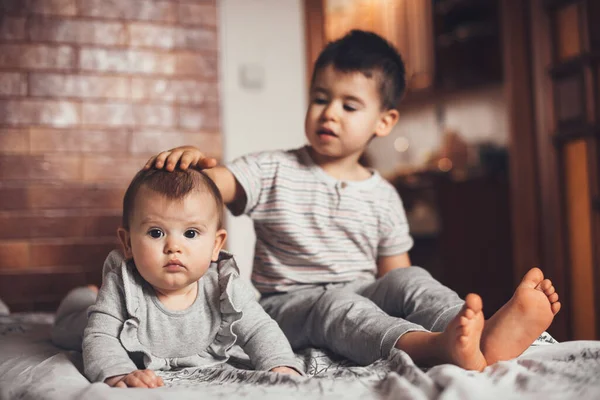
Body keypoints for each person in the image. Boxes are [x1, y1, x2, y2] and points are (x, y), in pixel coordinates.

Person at [144, 30, 561, 371]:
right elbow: (214, 187)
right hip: (286, 307)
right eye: (321, 98)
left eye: (349, 105)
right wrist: (195, 168)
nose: (330, 113)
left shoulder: (383, 196)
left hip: (362, 290)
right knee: (339, 305)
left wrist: (405, 293)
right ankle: (434, 348)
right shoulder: (271, 169)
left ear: (384, 121)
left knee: (411, 280)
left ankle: (478, 336)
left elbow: (394, 279)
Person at [53, 168, 302, 388]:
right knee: (71, 330)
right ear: (128, 243)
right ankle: (82, 296)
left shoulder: (224, 287)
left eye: (191, 233)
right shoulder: (122, 285)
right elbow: (101, 337)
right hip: (88, 323)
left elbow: (259, 329)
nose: (174, 246)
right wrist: (118, 373)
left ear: (216, 245)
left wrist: (279, 363)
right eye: (156, 232)